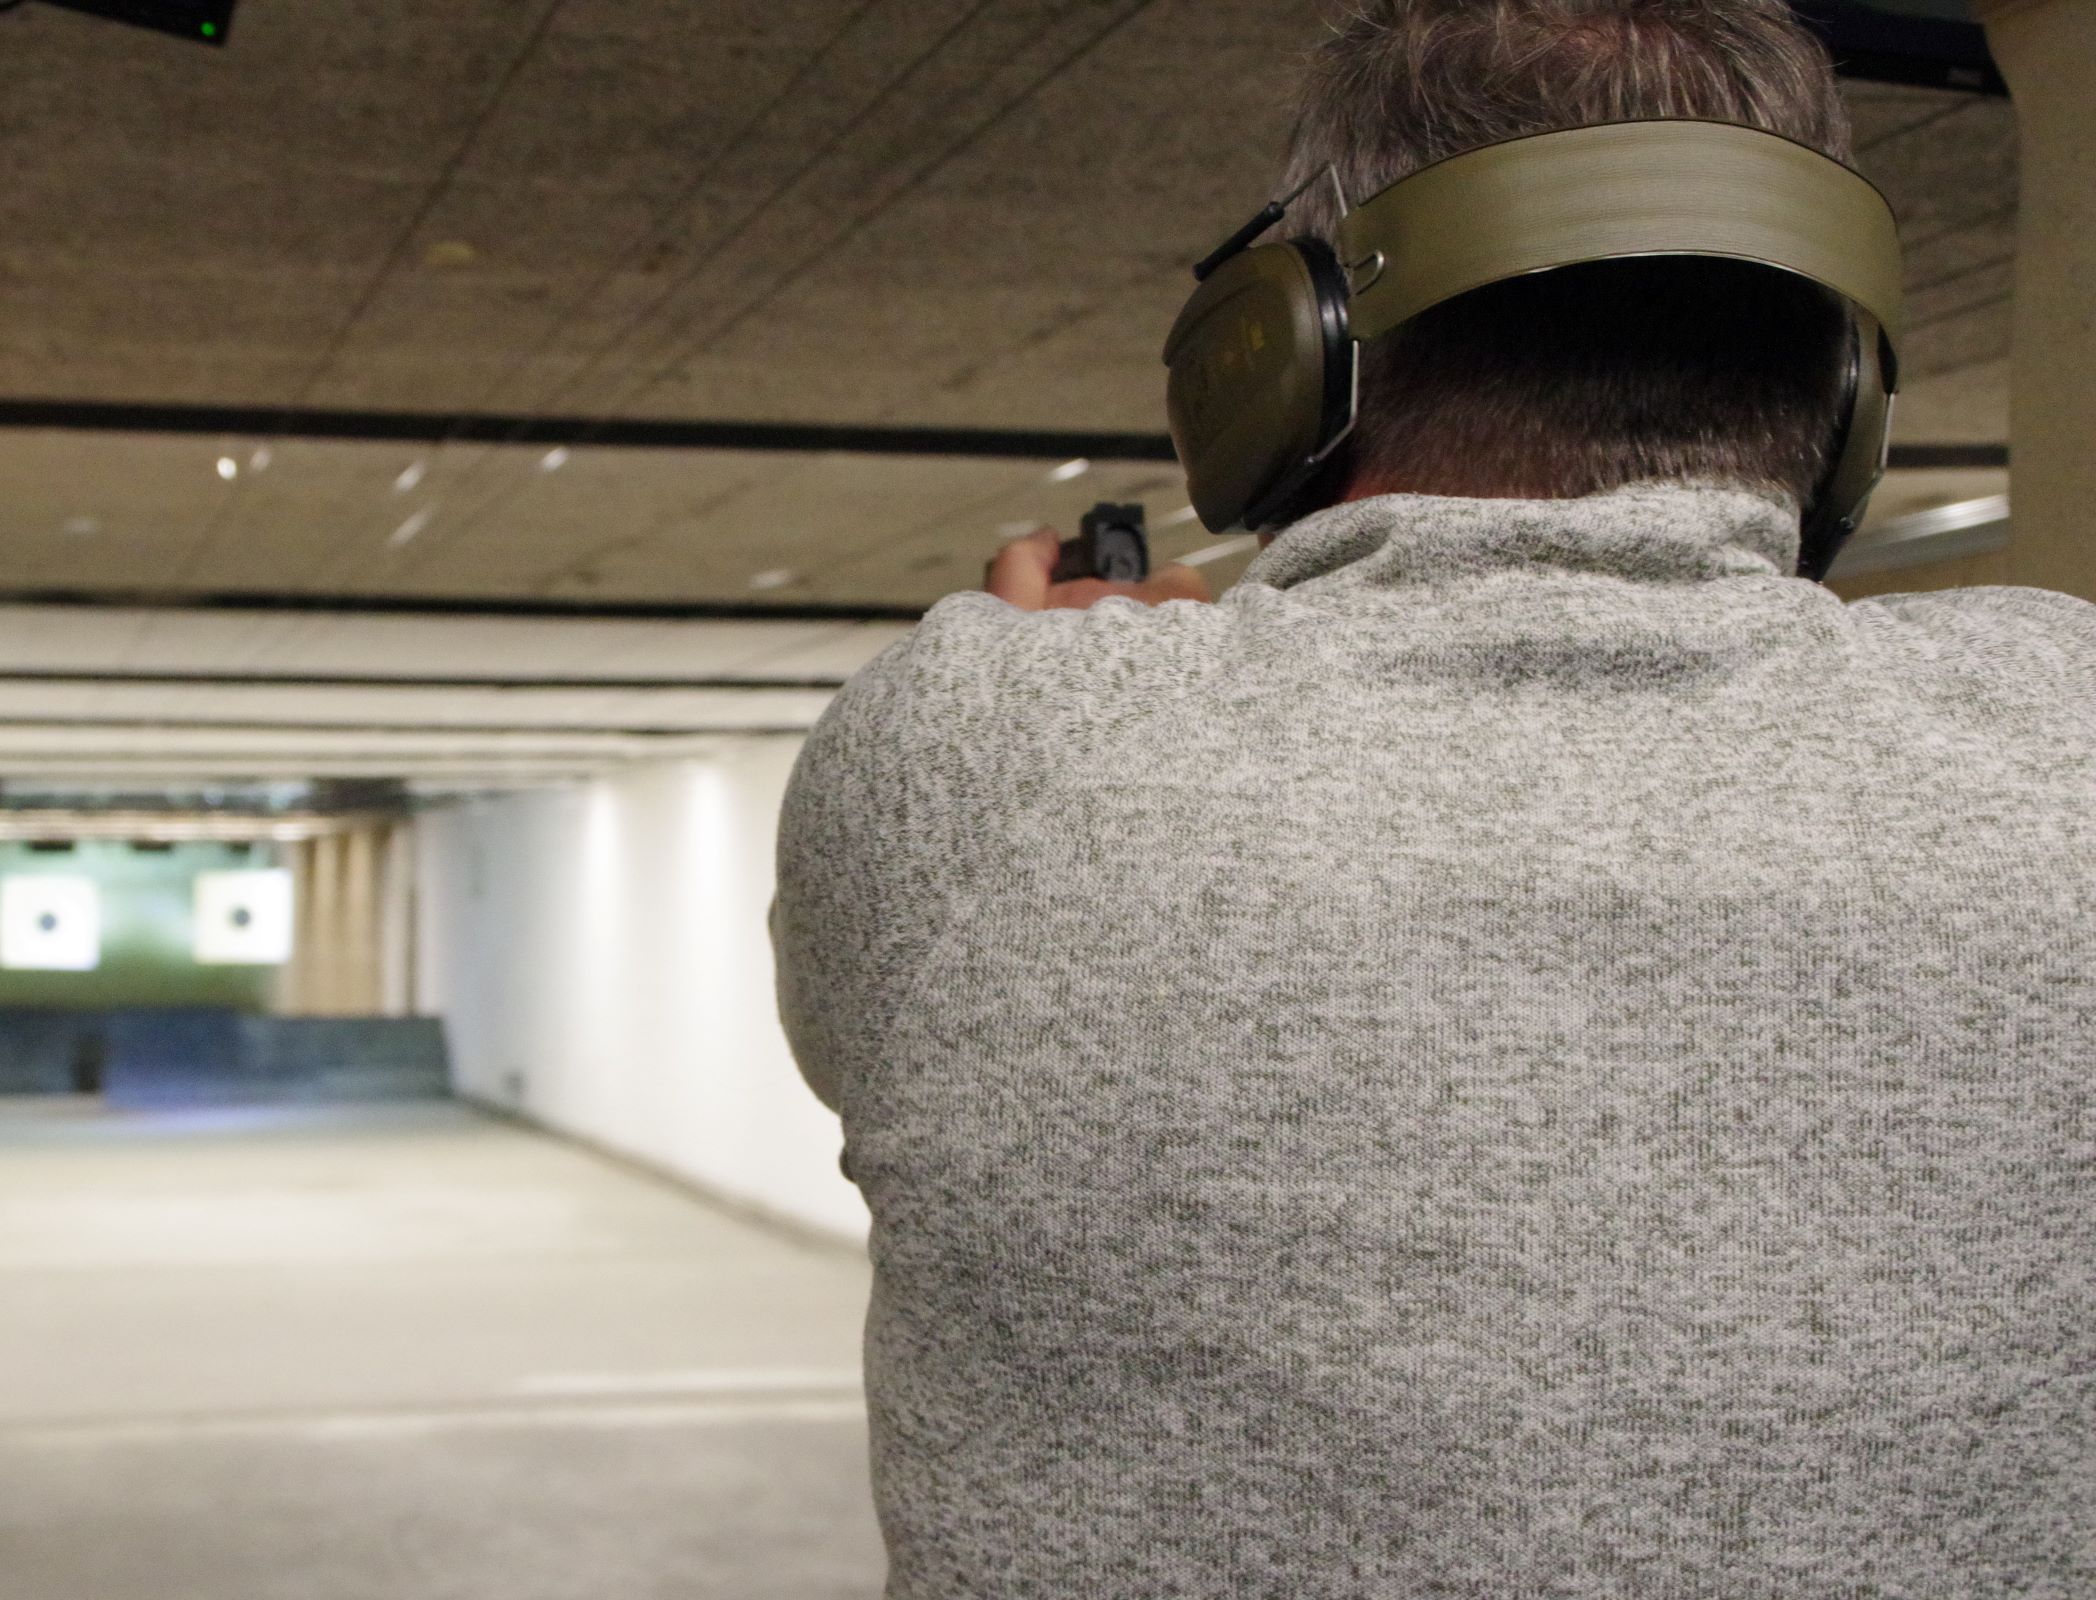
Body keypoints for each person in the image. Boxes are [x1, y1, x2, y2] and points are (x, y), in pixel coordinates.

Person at [771, 1, 2096, 1594]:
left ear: (1288, 351)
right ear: (1851, 390)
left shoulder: (972, 749)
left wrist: (1058, 695)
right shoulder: (2068, 724)